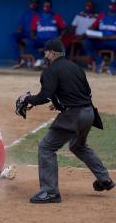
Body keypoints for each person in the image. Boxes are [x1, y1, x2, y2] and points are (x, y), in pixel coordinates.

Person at [17, 39, 115, 204]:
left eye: (46, 52)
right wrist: (60, 105)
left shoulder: (50, 71)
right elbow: (84, 92)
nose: (45, 55)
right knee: (78, 146)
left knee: (46, 147)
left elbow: (44, 96)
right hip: (88, 113)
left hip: (74, 115)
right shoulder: (75, 68)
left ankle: (50, 192)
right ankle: (105, 179)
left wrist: (27, 98)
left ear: (53, 53)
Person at [25, 0, 66, 68]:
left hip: (52, 40)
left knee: (60, 48)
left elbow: (64, 28)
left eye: (48, 6)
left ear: (51, 7)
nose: (46, 7)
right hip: (40, 40)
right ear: (42, 7)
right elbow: (32, 29)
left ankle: (45, 61)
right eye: (45, 6)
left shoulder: (56, 16)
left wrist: (60, 36)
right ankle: (40, 59)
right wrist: (33, 36)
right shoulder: (37, 16)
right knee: (29, 43)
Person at [83, 0, 116, 75]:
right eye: (111, 4)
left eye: (114, 5)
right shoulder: (101, 15)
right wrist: (90, 30)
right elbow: (93, 26)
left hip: (113, 41)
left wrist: (108, 38)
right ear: (109, 5)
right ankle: (99, 61)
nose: (112, 6)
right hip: (100, 40)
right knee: (86, 43)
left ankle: (113, 67)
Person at [11, 0, 39, 69]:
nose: (33, 5)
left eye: (34, 3)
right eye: (32, 3)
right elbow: (20, 27)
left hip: (33, 35)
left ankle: (28, 60)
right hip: (24, 34)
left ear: (37, 5)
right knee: (13, 36)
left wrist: (33, 36)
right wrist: (19, 32)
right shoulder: (26, 14)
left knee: (32, 41)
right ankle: (17, 60)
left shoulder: (39, 15)